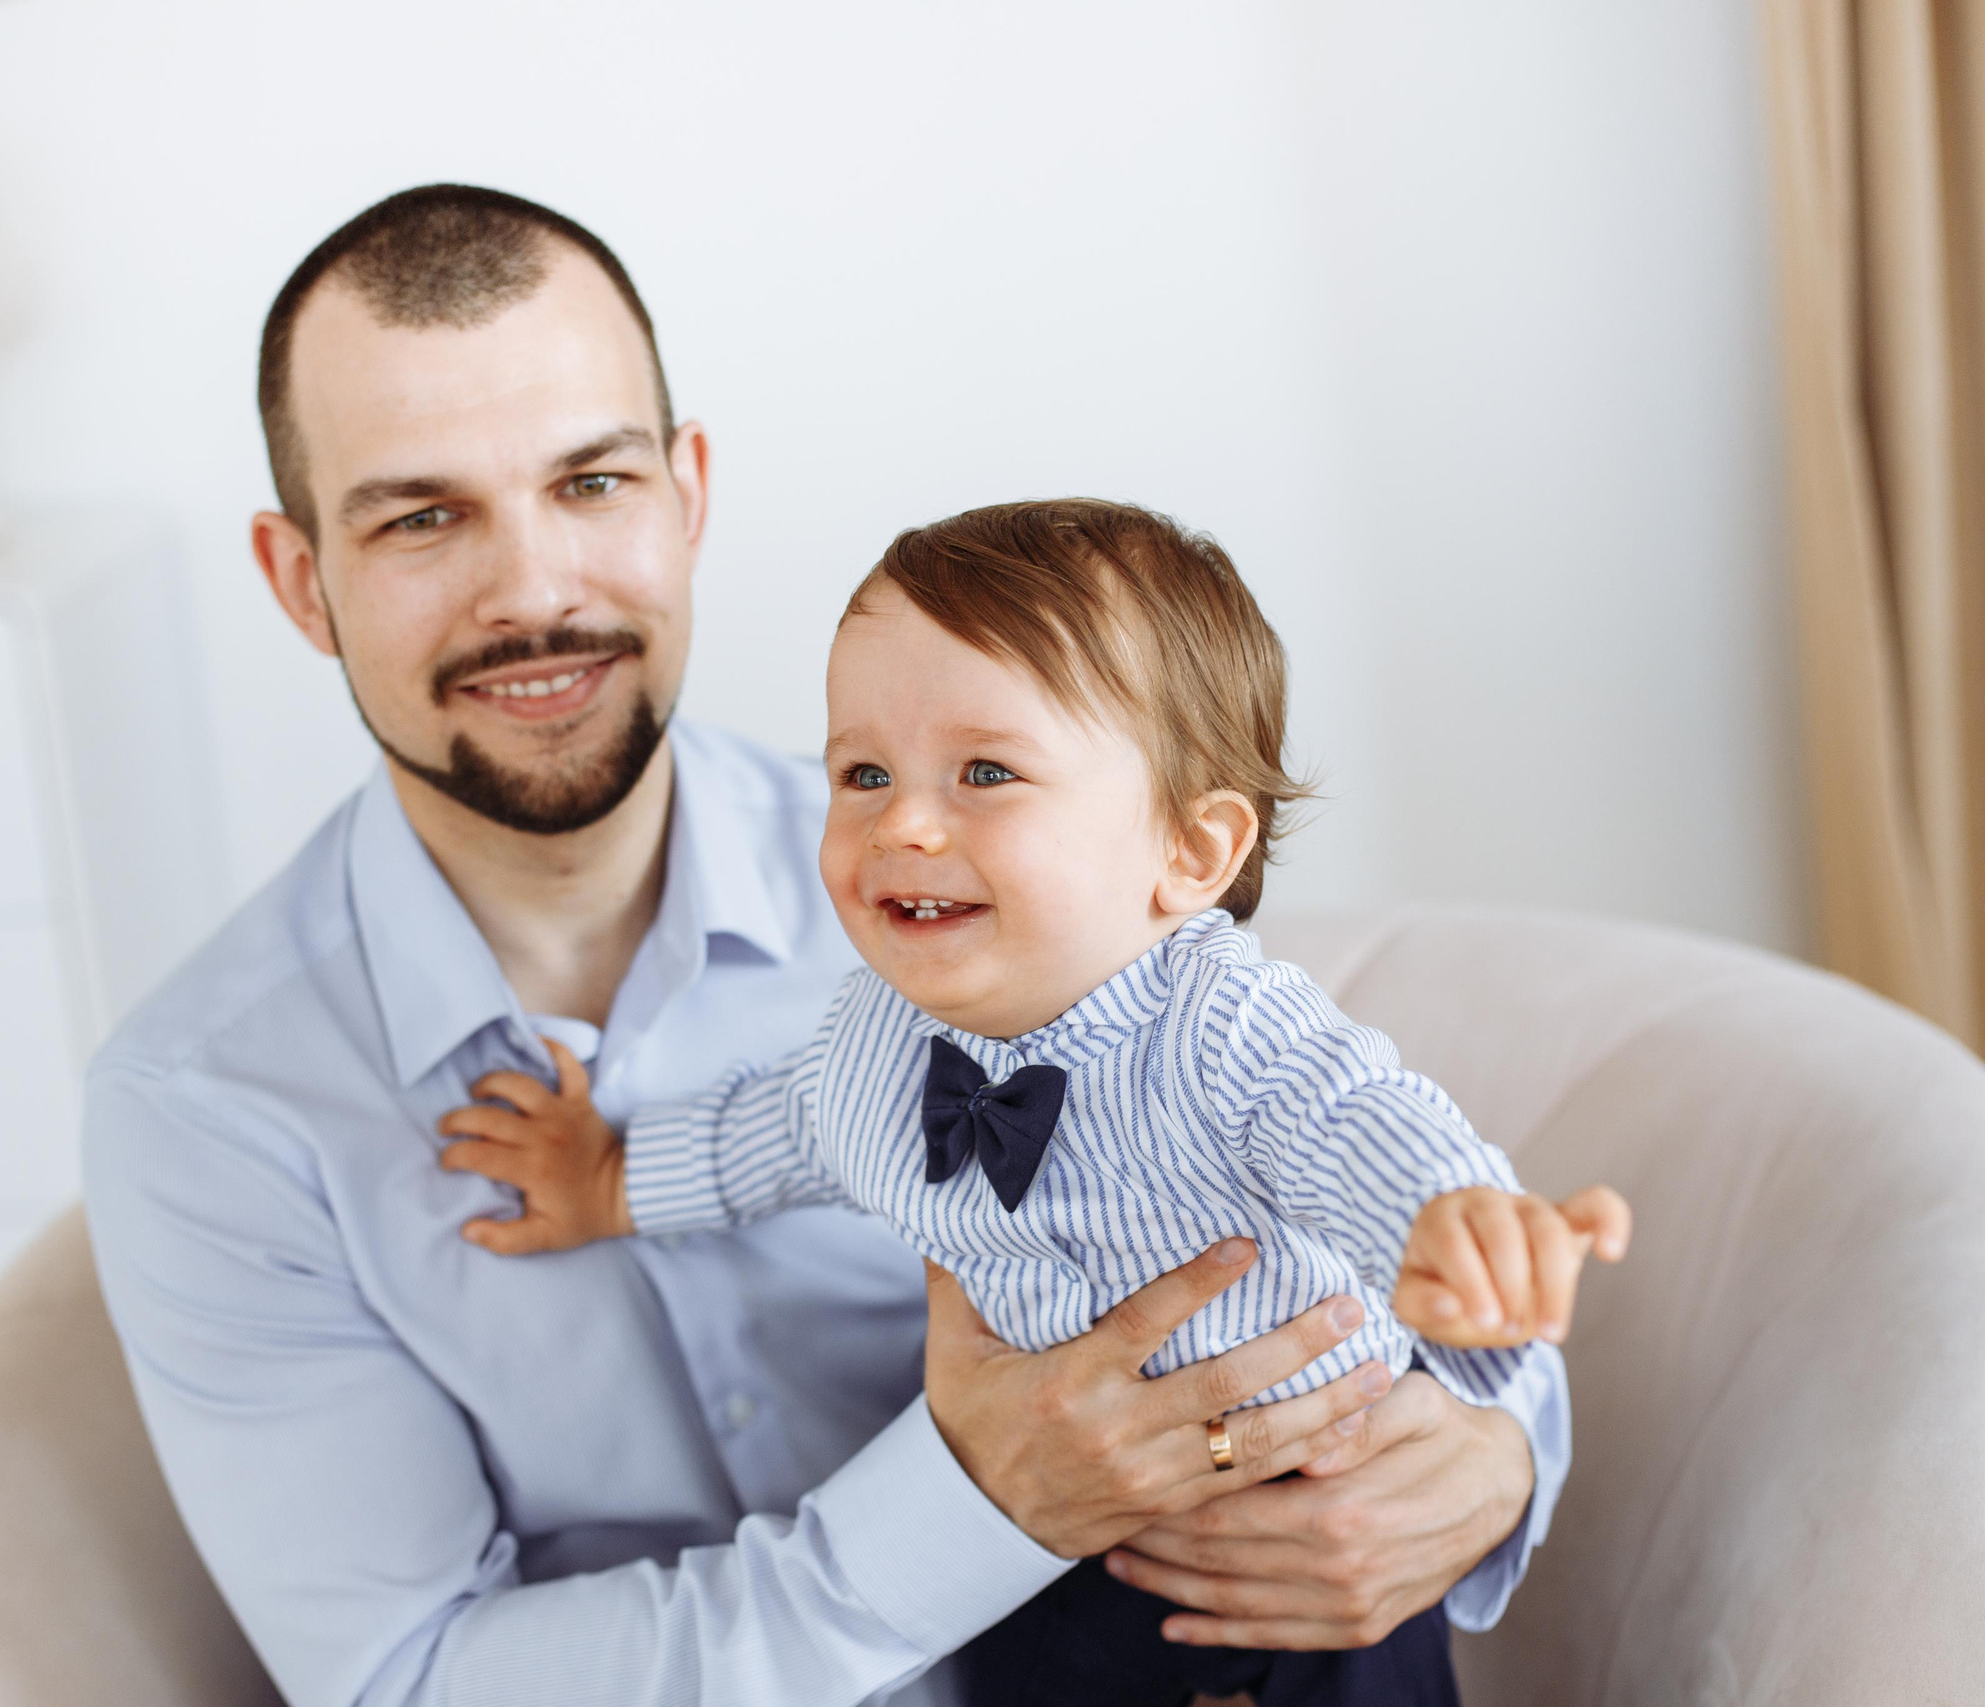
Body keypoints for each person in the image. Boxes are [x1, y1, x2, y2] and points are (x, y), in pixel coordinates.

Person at [83, 183, 1575, 1707]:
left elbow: (1315, 1136)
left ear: (687, 497)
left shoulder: (1017, 870)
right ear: (297, 580)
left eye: (591, 484)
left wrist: (1502, 1433)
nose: (532, 590)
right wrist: (974, 1506)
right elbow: (405, 1678)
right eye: (419, 516)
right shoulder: (208, 1105)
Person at [431, 498, 1632, 1707]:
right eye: (861, 771)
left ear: (1191, 850)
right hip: (1039, 1533)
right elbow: (773, 1135)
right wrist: (605, 1179)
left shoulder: (1218, 1025)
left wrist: (1456, 1219)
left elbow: (1353, 1117)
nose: (900, 820)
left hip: (1305, 1516)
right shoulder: (874, 1043)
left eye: (986, 772)